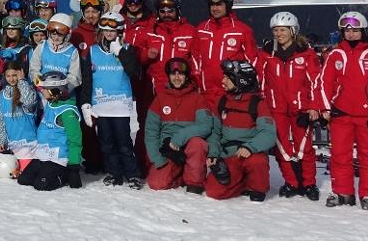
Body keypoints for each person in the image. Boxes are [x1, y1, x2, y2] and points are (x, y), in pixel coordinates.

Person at [318, 11, 368, 210]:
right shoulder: (335, 54)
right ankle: (342, 192)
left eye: (355, 30)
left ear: (363, 30)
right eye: (347, 30)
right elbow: (323, 83)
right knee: (339, 155)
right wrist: (325, 108)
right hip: (341, 114)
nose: (351, 34)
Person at [258, 11, 322, 200]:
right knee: (282, 147)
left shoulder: (306, 54)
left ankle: (309, 183)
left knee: (305, 147)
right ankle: (291, 182)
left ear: (293, 31)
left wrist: (314, 106)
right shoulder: (267, 53)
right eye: (276, 30)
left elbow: (315, 82)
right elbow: (261, 81)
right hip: (275, 107)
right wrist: (262, 106)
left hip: (301, 108)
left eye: (283, 30)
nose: (279, 34)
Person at [81, 12, 143, 188]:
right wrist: (85, 103)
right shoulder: (93, 51)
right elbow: (87, 80)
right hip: (101, 105)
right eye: (105, 30)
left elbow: (135, 73)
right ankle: (113, 172)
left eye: (112, 30)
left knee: (124, 142)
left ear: (120, 31)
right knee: (106, 143)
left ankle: (132, 174)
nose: (108, 33)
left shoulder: (127, 48)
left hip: (120, 106)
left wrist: (121, 53)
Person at [205, 60, 277, 201]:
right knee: (213, 191)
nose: (223, 81)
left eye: (227, 77)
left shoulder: (258, 104)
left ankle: (256, 186)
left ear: (240, 80)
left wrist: (250, 147)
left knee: (257, 162)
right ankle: (243, 182)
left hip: (250, 154)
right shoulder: (222, 102)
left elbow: (268, 133)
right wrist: (213, 153)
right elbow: (215, 133)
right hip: (229, 156)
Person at [144, 58, 214, 193]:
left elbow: (205, 125)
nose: (177, 77)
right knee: (156, 184)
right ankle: (179, 176)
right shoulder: (160, 99)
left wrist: (180, 137)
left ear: (186, 76)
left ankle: (195, 182)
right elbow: (151, 132)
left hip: (188, 144)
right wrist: (158, 159)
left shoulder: (197, 99)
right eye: (173, 74)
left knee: (198, 143)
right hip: (168, 148)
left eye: (181, 74)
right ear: (168, 76)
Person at [192, 0, 259, 110]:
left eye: (219, 5)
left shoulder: (242, 30)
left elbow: (253, 61)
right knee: (208, 126)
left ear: (228, 5)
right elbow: (196, 56)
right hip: (206, 91)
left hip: (231, 91)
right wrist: (197, 79)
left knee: (229, 126)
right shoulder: (202, 28)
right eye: (212, 5)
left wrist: (249, 86)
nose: (215, 8)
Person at [17, 72, 83, 190]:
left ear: (55, 91)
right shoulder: (51, 103)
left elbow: (75, 141)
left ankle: (66, 174)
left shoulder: (67, 112)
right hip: (43, 154)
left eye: (44, 89)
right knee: (24, 180)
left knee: (41, 185)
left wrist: (74, 168)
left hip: (58, 158)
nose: (42, 91)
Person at [132, 0, 196, 95]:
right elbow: (135, 54)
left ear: (178, 11)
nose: (166, 14)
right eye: (162, 11)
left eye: (170, 11)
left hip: (182, 86)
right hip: (155, 88)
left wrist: (194, 82)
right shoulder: (148, 32)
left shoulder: (190, 31)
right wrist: (146, 55)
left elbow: (196, 60)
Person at [0, 60, 39, 172]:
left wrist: (22, 81)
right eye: (8, 76)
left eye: (14, 75)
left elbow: (28, 102)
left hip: (28, 144)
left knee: (24, 177)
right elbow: (3, 119)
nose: (11, 79)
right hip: (12, 145)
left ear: (20, 73)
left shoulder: (28, 89)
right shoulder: (3, 93)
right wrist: (1, 141)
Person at [27, 13, 82, 91]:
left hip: (64, 95)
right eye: (53, 34)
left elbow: (75, 77)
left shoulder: (72, 51)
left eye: (60, 35)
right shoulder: (42, 47)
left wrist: (64, 90)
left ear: (67, 35)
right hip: (43, 93)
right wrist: (41, 88)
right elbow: (33, 71)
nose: (56, 38)